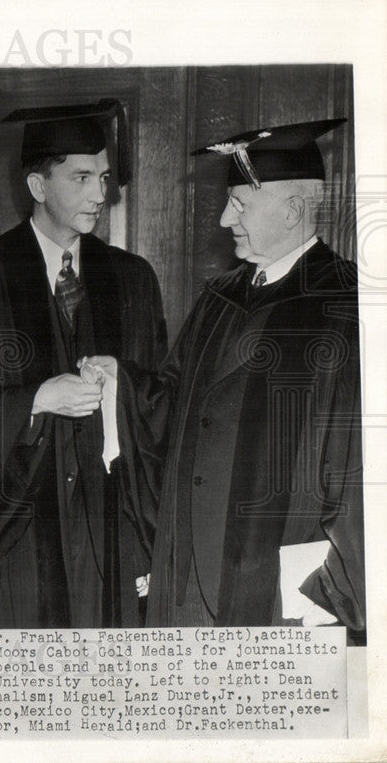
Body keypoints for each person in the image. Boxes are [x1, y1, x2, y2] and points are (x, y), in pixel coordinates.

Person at [95, 118, 364, 635]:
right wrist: (122, 383)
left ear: (292, 209)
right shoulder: (218, 296)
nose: (223, 219)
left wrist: (330, 593)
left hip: (286, 591)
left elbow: (366, 469)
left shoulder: (348, 305)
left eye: (239, 204)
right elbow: (173, 404)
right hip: (188, 575)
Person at [0, 100, 167, 628]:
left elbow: (163, 399)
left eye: (103, 176)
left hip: (107, 532)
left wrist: (123, 385)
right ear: (37, 185)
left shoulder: (132, 279)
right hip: (14, 536)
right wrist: (33, 398)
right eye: (81, 177)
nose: (100, 193)